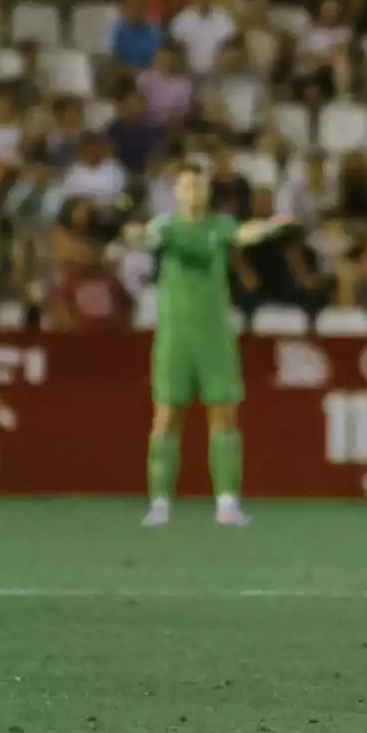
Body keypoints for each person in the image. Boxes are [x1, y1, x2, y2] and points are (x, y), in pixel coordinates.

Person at [122, 163, 293, 528]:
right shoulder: (167, 228)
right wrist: (135, 234)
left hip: (215, 335)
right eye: (187, 186)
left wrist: (271, 226)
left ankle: (227, 503)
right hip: (174, 337)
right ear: (177, 192)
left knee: (224, 415)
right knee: (166, 417)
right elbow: (144, 236)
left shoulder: (220, 226)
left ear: (207, 192)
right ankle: (160, 502)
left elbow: (244, 235)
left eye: (199, 186)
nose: (194, 192)